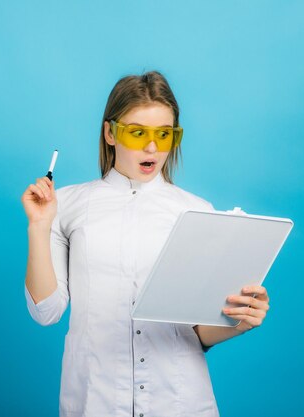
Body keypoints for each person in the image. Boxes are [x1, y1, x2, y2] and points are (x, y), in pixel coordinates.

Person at [20, 71, 270, 417]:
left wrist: (238, 320)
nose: (152, 147)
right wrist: (39, 226)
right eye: (138, 133)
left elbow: (198, 332)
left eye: (164, 135)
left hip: (181, 401)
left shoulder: (196, 212)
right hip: (95, 401)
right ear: (110, 133)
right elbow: (46, 312)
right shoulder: (66, 206)